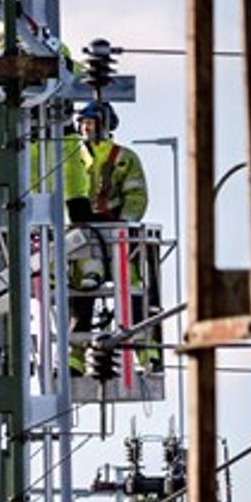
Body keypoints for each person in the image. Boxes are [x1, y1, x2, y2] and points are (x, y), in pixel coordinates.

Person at [63, 101, 154, 374]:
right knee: (82, 293)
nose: (85, 127)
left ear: (105, 124)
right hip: (81, 236)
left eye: (90, 122)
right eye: (82, 122)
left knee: (132, 290)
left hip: (116, 235)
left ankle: (145, 354)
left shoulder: (124, 158)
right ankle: (75, 360)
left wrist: (123, 225)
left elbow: (137, 195)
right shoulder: (71, 157)